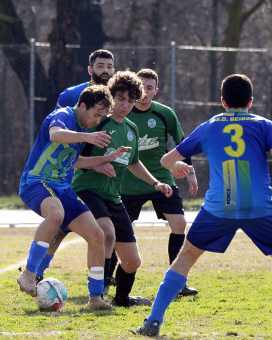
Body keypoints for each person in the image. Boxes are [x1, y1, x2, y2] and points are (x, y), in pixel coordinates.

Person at [136, 74, 272, 338]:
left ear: (222, 102)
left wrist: (177, 165)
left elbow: (165, 160)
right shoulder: (264, 125)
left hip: (221, 207)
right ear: (250, 102)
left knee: (186, 257)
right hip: (259, 207)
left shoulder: (210, 126)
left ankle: (152, 322)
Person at [71, 70, 189, 307]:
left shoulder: (132, 129)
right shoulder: (97, 123)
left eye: (131, 101)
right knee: (106, 232)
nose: (125, 105)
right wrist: (97, 165)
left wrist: (156, 182)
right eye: (121, 98)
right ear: (111, 96)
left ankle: (122, 299)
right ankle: (99, 290)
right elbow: (73, 160)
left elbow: (134, 162)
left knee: (133, 261)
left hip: (113, 197)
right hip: (88, 189)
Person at [17, 84, 129, 311]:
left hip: (62, 187)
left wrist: (103, 160)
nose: (98, 120)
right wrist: (87, 138)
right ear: (82, 105)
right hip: (37, 181)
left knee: (96, 234)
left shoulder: (83, 130)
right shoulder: (63, 116)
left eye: (102, 116)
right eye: (96, 114)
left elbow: (74, 161)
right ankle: (29, 274)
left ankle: (95, 298)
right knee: (56, 214)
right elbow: (56, 135)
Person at [35, 49, 116, 283]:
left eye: (110, 66)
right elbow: (56, 132)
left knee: (107, 231)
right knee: (61, 227)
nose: (106, 71)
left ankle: (104, 281)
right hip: (72, 172)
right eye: (101, 66)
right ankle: (39, 271)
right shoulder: (70, 96)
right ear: (90, 70)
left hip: (102, 170)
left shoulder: (116, 98)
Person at [118, 68, 199, 297]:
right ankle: (110, 278)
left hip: (162, 179)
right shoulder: (124, 113)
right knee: (115, 231)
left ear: (156, 91)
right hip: (129, 183)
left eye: (149, 88)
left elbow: (183, 144)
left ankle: (177, 281)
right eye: (141, 87)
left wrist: (191, 173)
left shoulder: (165, 113)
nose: (145, 92)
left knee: (180, 224)